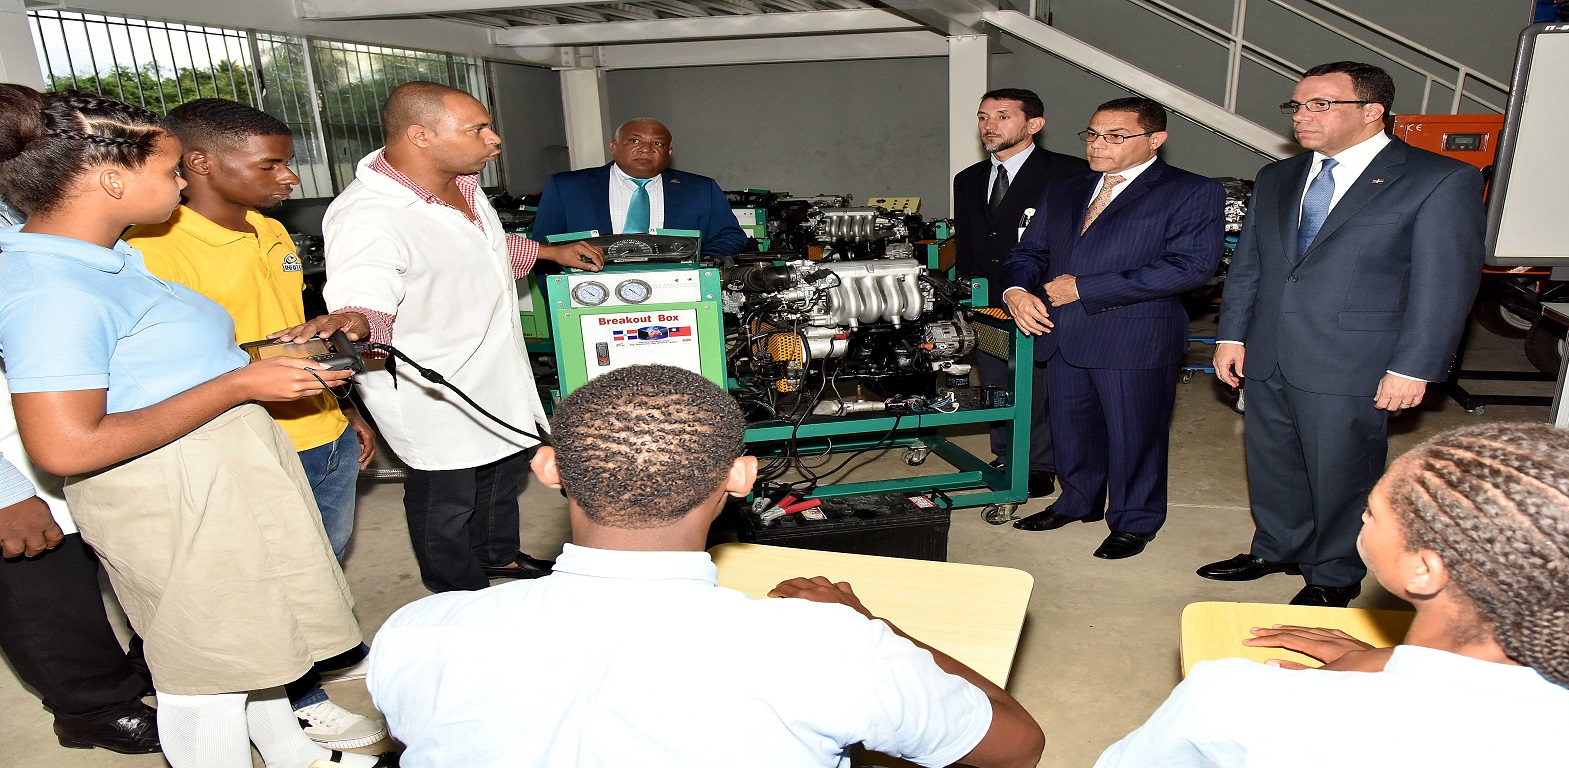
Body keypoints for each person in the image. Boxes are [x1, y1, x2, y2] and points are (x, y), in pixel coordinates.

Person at [368, 364, 1046, 768]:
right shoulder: (828, 645)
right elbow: (1017, 744)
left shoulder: (420, 631)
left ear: (547, 469)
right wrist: (874, 626)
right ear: (744, 477)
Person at [0, 84, 393, 767]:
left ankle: (294, 756)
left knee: (255, 643)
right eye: (171, 170)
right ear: (111, 179)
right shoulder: (51, 288)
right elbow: (64, 443)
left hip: (217, 471)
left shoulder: (113, 258)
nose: (183, 183)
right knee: (207, 672)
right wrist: (241, 383)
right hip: (170, 492)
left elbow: (156, 367)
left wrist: (269, 358)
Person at [1094, 423, 1569, 766]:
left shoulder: (1233, 701)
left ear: (1423, 570)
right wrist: (1387, 660)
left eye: (1372, 512)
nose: (1362, 521)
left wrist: (1375, 666)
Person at [122, 98, 384, 750]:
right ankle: (301, 701)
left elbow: (294, 337)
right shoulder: (158, 251)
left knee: (315, 566)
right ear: (202, 163)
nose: (290, 177)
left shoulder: (269, 231)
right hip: (245, 442)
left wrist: (345, 409)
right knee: (256, 589)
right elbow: (170, 367)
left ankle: (302, 679)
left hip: (317, 429)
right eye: (272, 164)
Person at [298, 81, 603, 594]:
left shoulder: (460, 182)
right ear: (420, 136)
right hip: (431, 383)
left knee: (504, 474)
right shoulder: (369, 215)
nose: (495, 139)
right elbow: (365, 293)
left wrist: (552, 253)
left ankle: (497, 555)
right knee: (449, 493)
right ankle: (456, 589)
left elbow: (481, 246)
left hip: (493, 366)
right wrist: (352, 321)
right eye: (478, 129)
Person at [1201, 61, 1485, 607]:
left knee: (1341, 471)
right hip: (1268, 351)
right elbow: (1251, 267)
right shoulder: (1278, 177)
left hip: (1355, 357)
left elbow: (1443, 285)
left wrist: (1414, 367)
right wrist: (1231, 334)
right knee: (1271, 458)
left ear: (1372, 112)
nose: (1301, 117)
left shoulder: (1438, 179)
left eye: (1319, 105)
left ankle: (1333, 572)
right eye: (1297, 106)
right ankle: (1278, 546)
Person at [999, 97, 1223, 560]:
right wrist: (1016, 292)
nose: (1098, 145)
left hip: (1134, 335)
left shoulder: (1191, 191)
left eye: (1115, 137)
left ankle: (1134, 520)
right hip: (1061, 332)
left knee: (1134, 435)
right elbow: (1030, 253)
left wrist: (1085, 288)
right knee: (1071, 428)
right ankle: (1078, 501)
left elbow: (1190, 267)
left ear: (1155, 140)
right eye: (1093, 134)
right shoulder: (1066, 189)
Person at [0, 364, 160, 755]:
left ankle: (144, 669)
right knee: (47, 599)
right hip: (15, 466)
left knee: (143, 570)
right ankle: (93, 712)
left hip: (80, 437)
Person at [953, 88, 1088, 499]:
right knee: (997, 381)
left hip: (1044, 296)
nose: (989, 126)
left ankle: (1039, 464)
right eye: (983, 117)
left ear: (1034, 125)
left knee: (1039, 384)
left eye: (1003, 116)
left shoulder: (1071, 173)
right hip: (989, 298)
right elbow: (971, 244)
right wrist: (967, 296)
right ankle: (1007, 452)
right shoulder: (969, 179)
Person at [531, 118, 748, 262]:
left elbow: (729, 236)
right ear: (613, 146)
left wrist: (704, 264)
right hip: (588, 296)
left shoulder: (701, 189)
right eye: (634, 140)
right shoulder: (567, 187)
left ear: (669, 152)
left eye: (658, 144)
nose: (645, 149)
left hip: (676, 295)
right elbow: (542, 249)